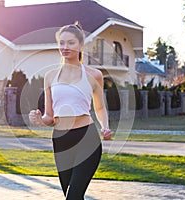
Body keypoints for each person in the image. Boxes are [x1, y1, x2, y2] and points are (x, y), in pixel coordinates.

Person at [29, 22, 112, 200]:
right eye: (62, 43)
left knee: (73, 196)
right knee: (71, 195)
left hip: (86, 138)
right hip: (61, 140)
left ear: (81, 45)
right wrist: (39, 119)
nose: (65, 47)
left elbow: (99, 107)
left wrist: (105, 126)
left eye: (71, 43)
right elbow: (50, 117)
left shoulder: (94, 75)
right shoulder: (50, 76)